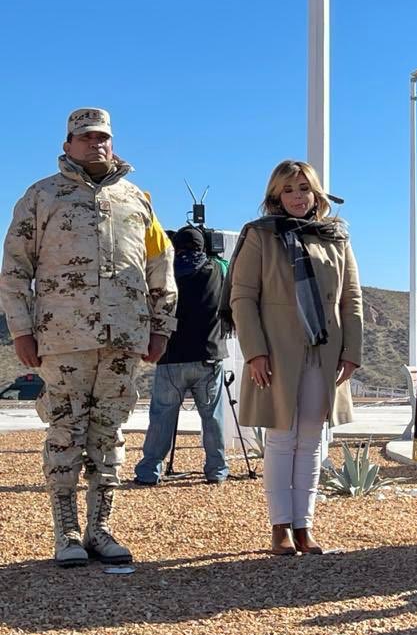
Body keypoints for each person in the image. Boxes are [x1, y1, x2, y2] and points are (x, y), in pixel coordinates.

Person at [0, 108, 177, 567]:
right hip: (63, 339)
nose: (95, 144)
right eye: (85, 137)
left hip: (124, 340)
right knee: (65, 433)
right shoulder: (41, 197)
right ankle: (67, 533)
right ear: (67, 144)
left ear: (112, 142)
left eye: (103, 137)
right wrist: (21, 329)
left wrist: (161, 326)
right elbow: (15, 270)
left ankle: (100, 528)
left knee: (110, 434)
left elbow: (160, 267)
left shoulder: (137, 199)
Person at [225, 160, 363, 555]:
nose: (297, 197)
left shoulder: (336, 237)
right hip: (276, 352)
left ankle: (305, 526)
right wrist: (255, 352)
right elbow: (242, 297)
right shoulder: (260, 235)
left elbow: (352, 298)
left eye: (304, 188)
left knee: (311, 439)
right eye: (288, 190)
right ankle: (280, 527)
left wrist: (351, 351)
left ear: (316, 193)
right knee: (281, 438)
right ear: (275, 196)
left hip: (325, 351)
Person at [134, 226, 229, 485]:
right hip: (208, 355)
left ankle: (149, 470)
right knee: (212, 418)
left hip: (170, 356)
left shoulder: (165, 272)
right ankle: (217, 469)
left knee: (162, 417)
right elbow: (227, 270)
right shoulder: (217, 270)